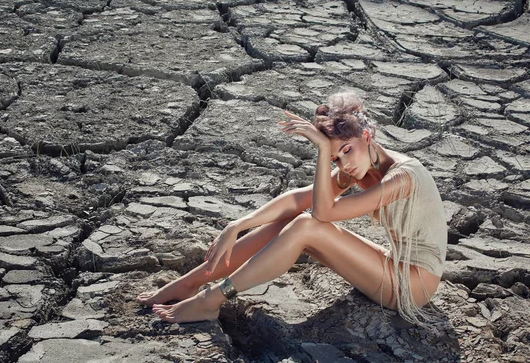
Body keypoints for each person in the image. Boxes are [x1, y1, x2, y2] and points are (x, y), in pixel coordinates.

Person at [136, 92, 447, 326]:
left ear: (366, 136)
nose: (344, 163)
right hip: (393, 263)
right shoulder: (363, 165)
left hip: (412, 286)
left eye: (346, 151)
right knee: (297, 218)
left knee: (306, 226)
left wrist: (324, 150)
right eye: (336, 158)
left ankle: (212, 299)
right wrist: (239, 225)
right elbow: (301, 200)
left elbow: (322, 214)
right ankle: (191, 282)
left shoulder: (403, 177)